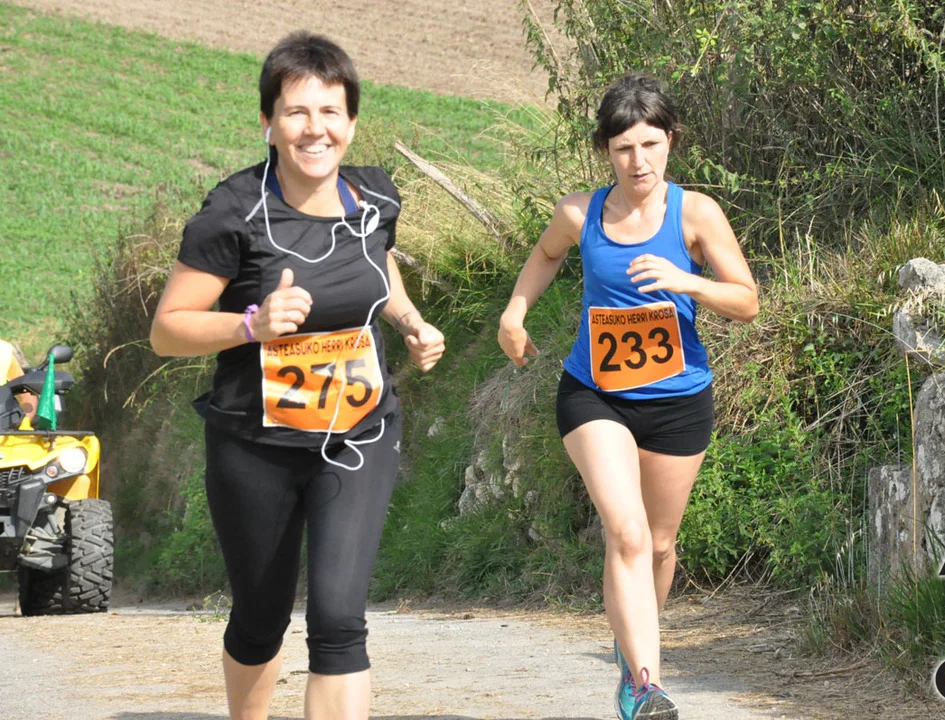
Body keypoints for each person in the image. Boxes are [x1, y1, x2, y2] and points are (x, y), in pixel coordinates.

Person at [149, 32, 444, 720]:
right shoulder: (233, 211)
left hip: (359, 431)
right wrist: (250, 326)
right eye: (296, 112)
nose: (316, 129)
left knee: (339, 620)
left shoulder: (375, 196)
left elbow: (378, 264)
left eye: (330, 111)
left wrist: (409, 320)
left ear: (352, 122)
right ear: (268, 122)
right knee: (261, 618)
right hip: (256, 445)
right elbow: (167, 329)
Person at [497, 74, 758, 720]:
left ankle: (631, 647)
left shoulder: (695, 214)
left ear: (671, 141)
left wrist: (686, 282)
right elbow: (545, 256)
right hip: (595, 394)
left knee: (661, 546)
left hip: (678, 400)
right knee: (627, 532)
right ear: (605, 151)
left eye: (650, 144)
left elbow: (746, 301)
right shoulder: (579, 214)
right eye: (623, 148)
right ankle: (645, 686)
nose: (638, 161)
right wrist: (514, 312)